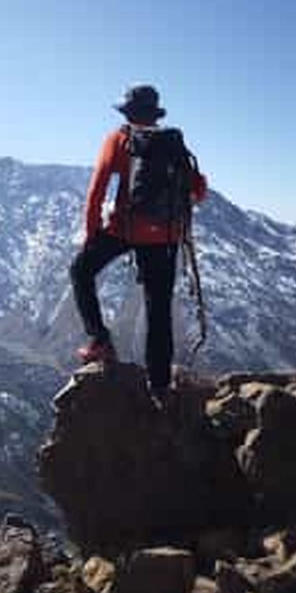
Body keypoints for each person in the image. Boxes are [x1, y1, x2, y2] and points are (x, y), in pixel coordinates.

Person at [69, 84, 207, 404]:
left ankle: (99, 340)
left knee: (80, 271)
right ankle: (159, 387)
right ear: (155, 113)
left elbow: (97, 191)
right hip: (166, 237)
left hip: (124, 229)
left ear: (127, 112)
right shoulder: (173, 143)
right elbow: (198, 190)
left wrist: (92, 236)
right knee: (158, 309)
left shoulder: (119, 139)